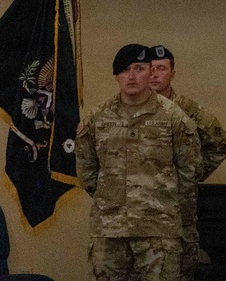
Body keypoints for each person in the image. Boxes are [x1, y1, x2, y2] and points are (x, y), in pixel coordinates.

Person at [76, 44, 200, 281]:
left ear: (150, 72)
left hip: (157, 230)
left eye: (139, 69)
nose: (131, 76)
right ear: (116, 76)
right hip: (110, 230)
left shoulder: (173, 117)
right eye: (124, 70)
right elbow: (86, 171)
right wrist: (113, 198)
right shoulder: (97, 118)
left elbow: (189, 172)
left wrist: (163, 203)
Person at [148, 45, 226, 281]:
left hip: (178, 212)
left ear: (172, 73)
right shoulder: (133, 109)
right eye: (150, 69)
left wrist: (190, 175)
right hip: (141, 215)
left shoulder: (189, 110)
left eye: (161, 68)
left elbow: (218, 145)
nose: (154, 75)